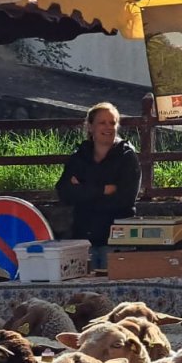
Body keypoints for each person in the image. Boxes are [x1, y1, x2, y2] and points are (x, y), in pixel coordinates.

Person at [56, 102, 141, 269]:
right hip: (83, 239)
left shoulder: (127, 158)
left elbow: (124, 200)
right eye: (102, 122)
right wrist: (103, 190)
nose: (108, 127)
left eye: (112, 122)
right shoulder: (78, 157)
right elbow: (64, 193)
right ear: (90, 127)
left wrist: (83, 191)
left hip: (117, 241)